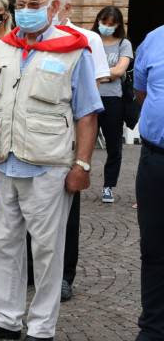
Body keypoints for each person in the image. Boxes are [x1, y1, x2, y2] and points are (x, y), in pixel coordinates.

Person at [0, 0, 102, 341]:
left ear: (53, 8)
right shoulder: (4, 48)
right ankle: (5, 318)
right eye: (21, 4)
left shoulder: (75, 49)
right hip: (3, 161)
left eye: (34, 4)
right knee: (0, 242)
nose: (25, 11)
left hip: (49, 166)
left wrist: (82, 166)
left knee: (47, 250)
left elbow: (87, 114)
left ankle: (42, 328)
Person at [28, 0, 113, 302]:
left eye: (51, 5)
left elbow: (89, 100)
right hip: (27, 142)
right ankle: (29, 269)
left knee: (66, 212)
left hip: (64, 141)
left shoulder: (86, 40)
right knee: (25, 211)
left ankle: (64, 274)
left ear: (63, 8)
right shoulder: (23, 41)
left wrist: (83, 155)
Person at [133, 24, 164, 341]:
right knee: (154, 249)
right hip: (157, 159)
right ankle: (154, 329)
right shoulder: (155, 40)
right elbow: (142, 93)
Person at [92, 6, 133, 204]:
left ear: (118, 25)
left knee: (114, 146)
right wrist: (109, 75)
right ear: (98, 20)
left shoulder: (124, 44)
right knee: (82, 143)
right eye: (104, 22)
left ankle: (108, 186)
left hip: (113, 100)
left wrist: (101, 75)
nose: (107, 27)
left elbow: (119, 70)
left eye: (111, 24)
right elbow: (83, 69)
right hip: (90, 98)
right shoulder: (91, 40)